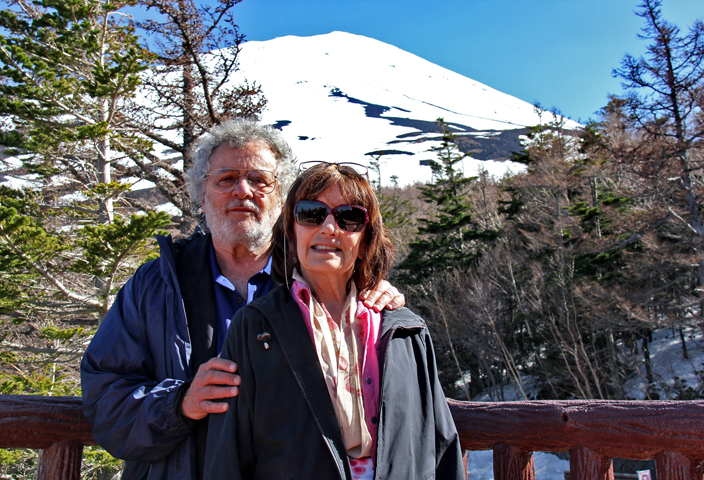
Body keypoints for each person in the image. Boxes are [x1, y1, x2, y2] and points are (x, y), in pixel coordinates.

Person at [80, 120, 405, 480]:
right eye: (226, 179)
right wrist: (180, 403)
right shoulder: (154, 286)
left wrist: (377, 295)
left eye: (259, 180)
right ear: (201, 196)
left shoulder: (320, 281)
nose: (242, 191)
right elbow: (104, 395)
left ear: (282, 198)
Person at [204, 162, 464, 480]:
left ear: (367, 237)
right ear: (290, 227)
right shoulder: (256, 328)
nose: (329, 228)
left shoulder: (405, 332)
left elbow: (440, 445)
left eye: (349, 217)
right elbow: (229, 456)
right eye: (311, 213)